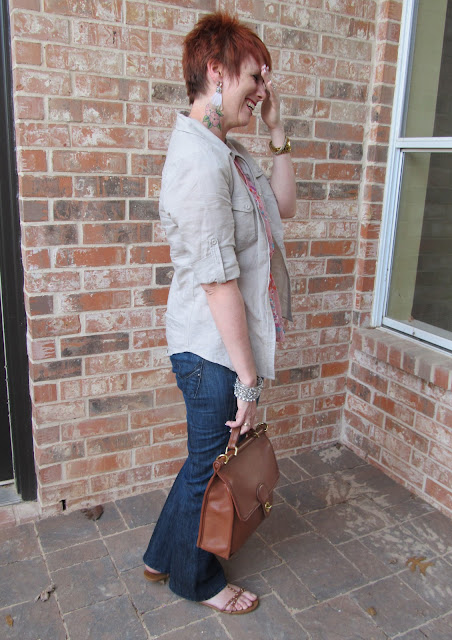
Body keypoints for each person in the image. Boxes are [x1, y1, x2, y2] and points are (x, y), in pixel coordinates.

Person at [143, 12, 295, 615]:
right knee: (211, 472)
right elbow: (217, 282)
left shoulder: (226, 152)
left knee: (201, 463)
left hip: (219, 345)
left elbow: (283, 205)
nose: (261, 90)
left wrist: (277, 131)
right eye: (254, 77)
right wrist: (248, 382)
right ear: (216, 71)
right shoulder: (199, 162)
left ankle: (161, 555)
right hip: (211, 352)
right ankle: (197, 580)